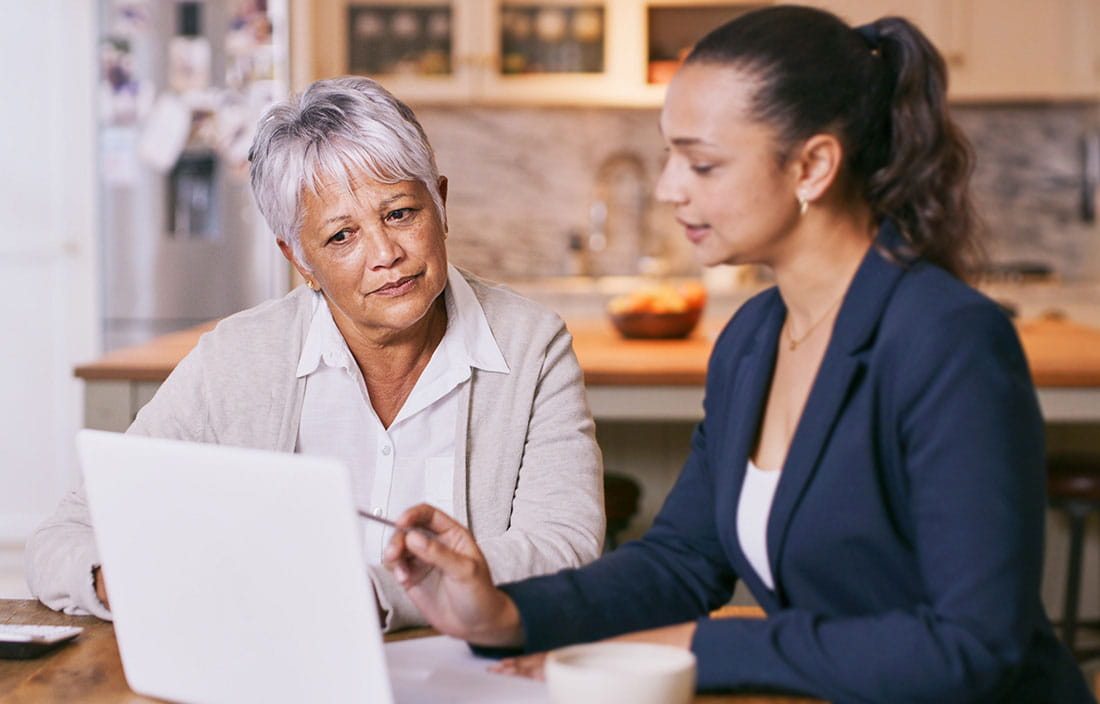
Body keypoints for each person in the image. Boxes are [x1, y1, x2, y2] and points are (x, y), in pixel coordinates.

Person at [380, 6, 1094, 701]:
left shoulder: (948, 342)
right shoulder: (754, 338)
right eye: (670, 157)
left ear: (812, 165)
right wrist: (506, 613)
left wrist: (698, 647)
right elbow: (684, 561)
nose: (668, 190)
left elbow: (971, 646)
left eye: (703, 164)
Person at [25, 76, 604, 632]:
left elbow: (564, 545)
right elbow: (65, 537)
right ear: (300, 258)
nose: (385, 253)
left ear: (441, 205)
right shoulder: (236, 360)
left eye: (400, 213)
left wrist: (373, 594)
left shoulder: (532, 345)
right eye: (340, 236)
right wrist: (118, 580)